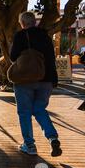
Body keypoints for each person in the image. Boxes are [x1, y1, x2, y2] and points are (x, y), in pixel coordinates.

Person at [10, 11, 62, 157]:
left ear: (22, 23)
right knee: (39, 109)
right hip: (46, 80)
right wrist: (53, 80)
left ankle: (29, 145)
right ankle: (53, 138)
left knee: (24, 112)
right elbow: (51, 58)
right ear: (35, 22)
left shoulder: (20, 36)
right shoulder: (45, 36)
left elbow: (13, 56)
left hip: (25, 79)